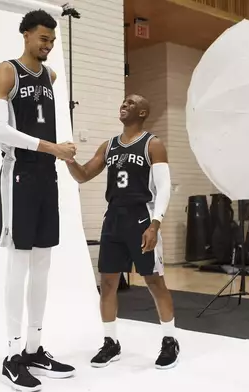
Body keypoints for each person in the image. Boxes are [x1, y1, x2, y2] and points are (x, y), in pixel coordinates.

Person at [0, 9, 77, 391]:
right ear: (25, 35)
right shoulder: (7, 71)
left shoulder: (50, 76)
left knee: (43, 263)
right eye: (43, 38)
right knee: (19, 263)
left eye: (52, 41)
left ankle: (34, 348)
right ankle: (11, 356)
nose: (48, 46)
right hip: (20, 174)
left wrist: (62, 151)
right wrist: (50, 147)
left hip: (47, 176)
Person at [64, 94, 180, 370]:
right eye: (124, 102)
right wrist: (68, 160)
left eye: (131, 103)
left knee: (154, 282)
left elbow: (164, 187)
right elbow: (83, 175)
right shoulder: (109, 146)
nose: (124, 104)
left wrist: (156, 223)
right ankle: (110, 342)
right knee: (107, 283)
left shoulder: (153, 144)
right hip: (113, 219)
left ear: (142, 113)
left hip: (141, 219)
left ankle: (170, 340)